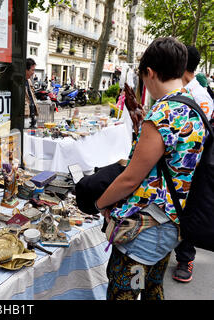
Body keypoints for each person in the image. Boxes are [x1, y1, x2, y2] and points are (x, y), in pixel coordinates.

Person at [95, 37, 209, 300]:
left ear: (150, 72)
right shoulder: (194, 107)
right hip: (173, 222)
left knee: (126, 292)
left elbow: (130, 178)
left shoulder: (163, 113)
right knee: (151, 289)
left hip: (145, 232)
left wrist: (100, 204)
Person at [170, 45, 214, 283]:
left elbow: (198, 138)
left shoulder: (199, 96)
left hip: (192, 166)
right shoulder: (181, 90)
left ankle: (185, 257)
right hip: (176, 163)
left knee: (187, 209)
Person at [25, 58, 39, 128]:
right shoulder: (18, 82)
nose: (33, 72)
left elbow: (32, 96)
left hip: (32, 116)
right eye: (32, 70)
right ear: (26, 70)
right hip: (25, 118)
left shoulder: (29, 81)